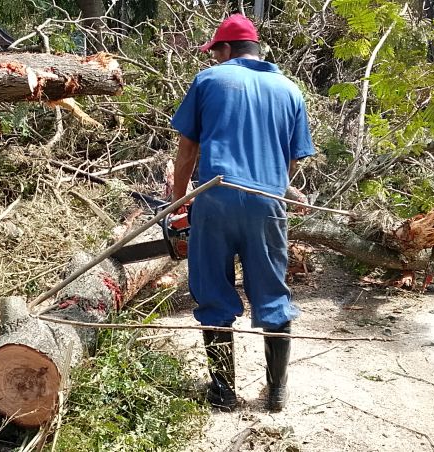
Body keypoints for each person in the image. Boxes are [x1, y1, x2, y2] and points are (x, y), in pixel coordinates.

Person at [170, 14, 314, 413]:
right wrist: (276, 189)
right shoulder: (290, 90)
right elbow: (289, 161)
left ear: (228, 49)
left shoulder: (209, 80)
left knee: (214, 296)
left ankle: (222, 393)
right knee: (272, 297)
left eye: (215, 50)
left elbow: (187, 150)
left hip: (216, 199)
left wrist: (179, 201)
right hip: (267, 203)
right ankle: (277, 392)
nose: (213, 58)